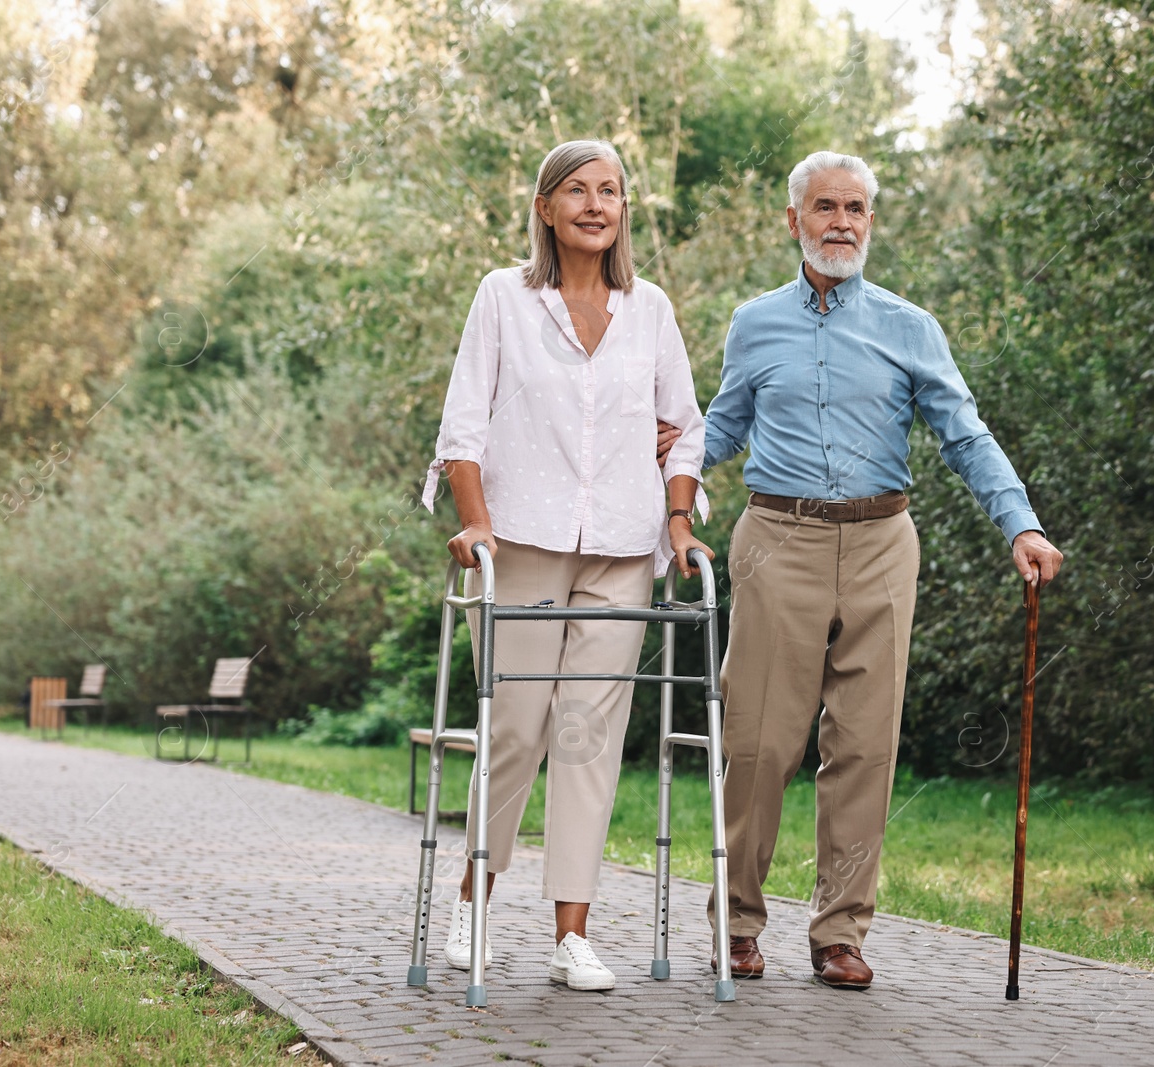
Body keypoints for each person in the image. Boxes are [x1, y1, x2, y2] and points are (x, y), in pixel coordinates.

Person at [670, 150, 1063, 990]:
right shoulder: (754, 322)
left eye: (855, 207)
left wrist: (1020, 523)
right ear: (794, 221)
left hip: (884, 541)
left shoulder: (909, 326)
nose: (840, 221)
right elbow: (724, 425)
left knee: (864, 746)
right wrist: (676, 474)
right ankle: (736, 922)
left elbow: (965, 433)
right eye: (824, 206)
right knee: (759, 742)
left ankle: (840, 932)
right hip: (779, 538)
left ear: (871, 222)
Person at [421, 138, 712, 992]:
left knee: (589, 736)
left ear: (626, 209)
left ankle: (571, 931)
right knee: (514, 728)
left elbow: (682, 424)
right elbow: (463, 424)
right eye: (577, 190)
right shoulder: (504, 298)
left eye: (612, 191)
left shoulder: (648, 308)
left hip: (623, 547)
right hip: (522, 542)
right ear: (545, 206)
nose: (596, 204)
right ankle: (474, 897)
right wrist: (475, 521)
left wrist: (679, 519)